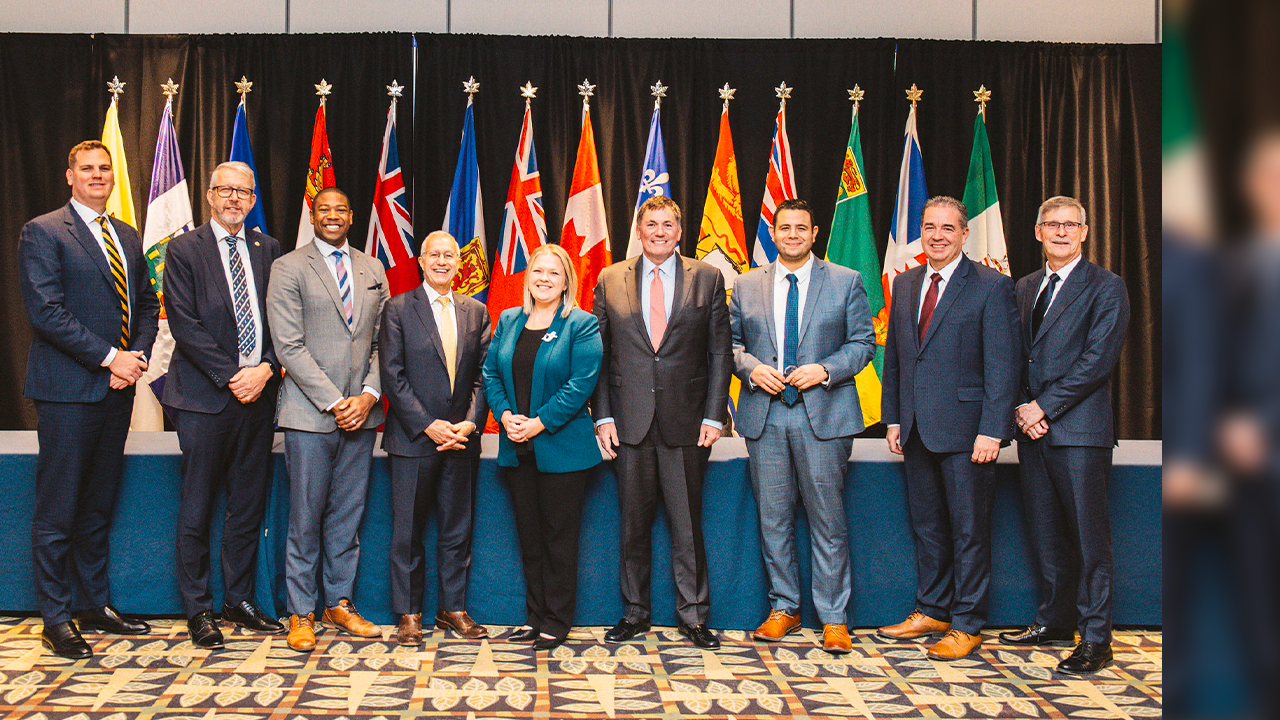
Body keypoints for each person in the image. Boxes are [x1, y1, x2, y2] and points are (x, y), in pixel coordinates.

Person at [18, 140, 160, 659]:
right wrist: (109, 358)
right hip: (67, 392)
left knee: (99, 505)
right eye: (88, 169)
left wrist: (136, 357)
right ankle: (55, 618)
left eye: (105, 168)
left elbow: (146, 302)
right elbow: (46, 312)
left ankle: (93, 604)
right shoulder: (44, 231)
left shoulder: (125, 233)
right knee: (59, 508)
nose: (98, 175)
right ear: (69, 176)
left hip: (117, 390)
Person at [729, 199, 875, 655]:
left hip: (824, 414)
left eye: (801, 228)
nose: (792, 234)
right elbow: (729, 344)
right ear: (773, 233)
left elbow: (863, 342)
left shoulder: (846, 281)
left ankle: (834, 617)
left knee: (827, 520)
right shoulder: (746, 283)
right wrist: (751, 368)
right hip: (765, 414)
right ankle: (784, 608)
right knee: (773, 520)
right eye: (784, 227)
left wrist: (826, 370)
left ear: (815, 234)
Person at [878, 196, 1019, 661]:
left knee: (969, 531)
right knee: (929, 529)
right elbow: (897, 358)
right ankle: (932, 610)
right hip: (916, 430)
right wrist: (894, 417)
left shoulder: (991, 286)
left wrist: (993, 430)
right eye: (929, 227)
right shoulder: (906, 282)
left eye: (947, 228)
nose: (937, 235)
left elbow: (1003, 365)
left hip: (967, 432)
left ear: (964, 235)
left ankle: (967, 623)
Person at [593, 196, 732, 649]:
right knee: (632, 526)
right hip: (628, 423)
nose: (658, 231)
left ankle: (693, 616)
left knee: (687, 526)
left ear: (679, 230)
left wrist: (715, 414)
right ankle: (634, 613)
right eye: (650, 224)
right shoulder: (610, 278)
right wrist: (603, 416)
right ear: (638, 229)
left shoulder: (707, 278)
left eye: (667, 224)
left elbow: (720, 354)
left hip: (688, 423)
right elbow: (598, 356)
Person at [999, 196, 1130, 674]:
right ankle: (1054, 620)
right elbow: (1012, 355)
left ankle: (1096, 638)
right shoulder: (1025, 286)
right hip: (1031, 431)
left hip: (1079, 432)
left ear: (1085, 232)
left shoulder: (1107, 287)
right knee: (1046, 532)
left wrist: (1042, 407)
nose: (1060, 232)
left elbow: (1097, 361)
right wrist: (1020, 408)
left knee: (1088, 537)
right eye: (1051, 224)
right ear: (1037, 232)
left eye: (1069, 225)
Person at [164, 161, 283, 649]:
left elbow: (283, 319)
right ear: (210, 196)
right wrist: (234, 375)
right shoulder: (184, 248)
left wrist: (268, 367)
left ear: (253, 201)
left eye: (244, 192)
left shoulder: (267, 248)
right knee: (197, 507)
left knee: (247, 505)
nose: (235, 199)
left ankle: (239, 598)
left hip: (258, 397)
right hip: (204, 398)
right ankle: (199, 608)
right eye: (226, 190)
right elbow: (183, 322)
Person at [266, 187, 390, 652]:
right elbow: (289, 346)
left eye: (341, 208)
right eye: (324, 210)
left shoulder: (372, 267)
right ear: (313, 216)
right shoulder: (289, 267)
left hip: (363, 415)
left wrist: (368, 396)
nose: (333, 215)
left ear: (352, 216)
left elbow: (382, 342)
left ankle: (339, 602)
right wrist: (338, 401)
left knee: (347, 517)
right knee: (305, 517)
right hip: (311, 415)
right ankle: (302, 612)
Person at [482, 244, 602, 651]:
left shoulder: (581, 324)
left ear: (566, 279)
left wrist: (536, 423)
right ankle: (535, 616)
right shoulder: (509, 319)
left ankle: (557, 618)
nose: (544, 279)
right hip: (517, 447)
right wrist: (505, 416)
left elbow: (580, 384)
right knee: (529, 539)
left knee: (558, 539)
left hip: (562, 451)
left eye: (554, 273)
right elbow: (491, 373)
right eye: (538, 271)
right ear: (528, 277)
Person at [380, 231, 491, 646]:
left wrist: (469, 422)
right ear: (421, 261)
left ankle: (452, 609)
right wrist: (427, 424)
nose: (443, 261)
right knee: (407, 531)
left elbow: (484, 375)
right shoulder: (397, 309)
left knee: (456, 530)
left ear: (459, 263)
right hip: (413, 439)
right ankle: (410, 613)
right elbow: (393, 375)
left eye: (450, 255)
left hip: (461, 440)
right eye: (435, 254)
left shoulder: (476, 311)